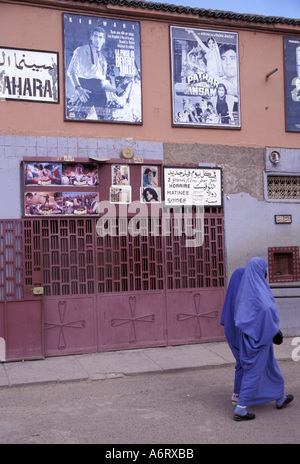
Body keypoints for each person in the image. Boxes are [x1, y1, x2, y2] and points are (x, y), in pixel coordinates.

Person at [233, 257, 293, 421]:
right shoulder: (259, 291)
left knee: (270, 368)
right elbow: (266, 310)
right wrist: (273, 330)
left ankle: (279, 397)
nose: (266, 272)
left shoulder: (247, 290)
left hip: (252, 338)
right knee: (253, 373)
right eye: (264, 268)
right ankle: (240, 408)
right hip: (257, 341)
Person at [67, 25, 118, 119]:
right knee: (78, 120)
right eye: (95, 36)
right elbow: (72, 71)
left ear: (104, 40)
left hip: (100, 93)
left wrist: (115, 90)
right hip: (85, 89)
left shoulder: (103, 60)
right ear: (91, 37)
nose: (97, 39)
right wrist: (79, 88)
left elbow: (102, 82)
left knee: (105, 121)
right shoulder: (81, 50)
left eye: (100, 37)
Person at [221, 267, 245, 405]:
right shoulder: (240, 295)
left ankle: (241, 393)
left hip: (231, 333)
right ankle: (238, 395)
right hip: (238, 334)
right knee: (243, 362)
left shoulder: (232, 293)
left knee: (241, 362)